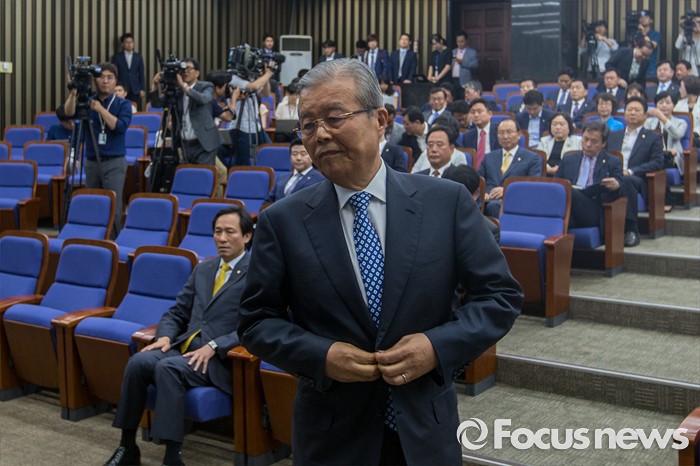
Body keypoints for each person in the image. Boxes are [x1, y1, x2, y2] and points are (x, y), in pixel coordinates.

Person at [237, 58, 522, 466]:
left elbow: (499, 297)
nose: (320, 134)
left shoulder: (445, 203)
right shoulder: (281, 221)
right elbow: (256, 321)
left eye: (334, 117)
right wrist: (321, 356)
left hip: (425, 432)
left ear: (380, 120)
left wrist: (435, 347)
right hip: (331, 439)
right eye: (308, 125)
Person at [104, 205, 253, 466]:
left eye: (230, 232)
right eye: (217, 231)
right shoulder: (204, 269)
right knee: (139, 362)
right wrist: (164, 337)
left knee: (169, 369)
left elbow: (254, 325)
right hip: (184, 349)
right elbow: (177, 311)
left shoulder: (258, 273)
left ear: (247, 236)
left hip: (220, 359)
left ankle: (172, 457)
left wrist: (215, 345)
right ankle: (127, 447)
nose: (222, 238)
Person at [63, 62, 131, 234]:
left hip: (114, 162)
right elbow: (68, 113)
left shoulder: (123, 104)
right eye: (101, 77)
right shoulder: (87, 101)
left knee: (113, 206)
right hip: (92, 162)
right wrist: (73, 92)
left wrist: (100, 109)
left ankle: (113, 242)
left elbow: (119, 126)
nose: (105, 81)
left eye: (110, 78)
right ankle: (94, 240)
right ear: (94, 80)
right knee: (93, 203)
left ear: (116, 81)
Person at [606, 96, 664, 247]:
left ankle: (631, 229)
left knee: (626, 180)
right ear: (624, 113)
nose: (632, 113)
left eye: (637, 110)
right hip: (613, 175)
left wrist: (631, 171)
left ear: (645, 116)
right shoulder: (613, 135)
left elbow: (657, 162)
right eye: (629, 110)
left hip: (637, 179)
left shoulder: (653, 137)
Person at [149, 58, 223, 166]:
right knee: (186, 174)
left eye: (189, 69)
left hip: (204, 143)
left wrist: (183, 86)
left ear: (197, 73)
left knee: (203, 174)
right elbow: (156, 104)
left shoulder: (206, 86)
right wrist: (154, 84)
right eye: (183, 69)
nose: (185, 72)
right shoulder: (178, 90)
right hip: (185, 144)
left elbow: (203, 99)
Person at [554, 120, 622, 231]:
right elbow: (556, 183)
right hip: (569, 208)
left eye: (594, 141)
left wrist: (616, 186)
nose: (588, 145)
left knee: (569, 191)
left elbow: (620, 191)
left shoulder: (613, 162)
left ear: (603, 143)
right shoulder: (568, 159)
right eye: (585, 139)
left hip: (593, 210)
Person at [478, 118, 542, 217]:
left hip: (515, 201)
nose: (505, 136)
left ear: (518, 134)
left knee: (493, 206)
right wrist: (483, 193)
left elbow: (532, 186)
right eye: (501, 133)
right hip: (488, 201)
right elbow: (479, 180)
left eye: (509, 132)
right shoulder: (489, 157)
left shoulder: (532, 158)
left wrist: (507, 190)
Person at [645, 91, 688, 210]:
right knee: (656, 165)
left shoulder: (681, 122)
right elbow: (645, 140)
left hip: (671, 157)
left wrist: (663, 118)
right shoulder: (649, 122)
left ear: (674, 105)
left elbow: (677, 134)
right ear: (656, 105)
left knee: (655, 164)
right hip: (654, 156)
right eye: (660, 103)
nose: (664, 106)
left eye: (668, 103)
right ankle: (666, 199)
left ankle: (660, 201)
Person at [228, 64, 273, 166]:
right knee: (243, 162)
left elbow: (266, 93)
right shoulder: (234, 79)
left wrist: (265, 76)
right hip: (240, 127)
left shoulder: (252, 79)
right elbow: (254, 86)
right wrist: (268, 73)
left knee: (269, 151)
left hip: (255, 127)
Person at [462, 98, 501, 167]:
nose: (476, 115)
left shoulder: (499, 132)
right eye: (473, 112)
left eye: (479, 112)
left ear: (490, 114)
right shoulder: (467, 136)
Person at [111, 33, 145, 107]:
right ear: (122, 44)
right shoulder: (117, 57)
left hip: (135, 88)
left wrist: (142, 89)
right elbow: (114, 73)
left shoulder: (138, 57)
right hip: (121, 88)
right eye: (127, 42)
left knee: (134, 108)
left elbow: (141, 74)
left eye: (131, 42)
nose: (129, 44)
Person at [635, 10, 660, 79]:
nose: (643, 19)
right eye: (641, 17)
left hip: (650, 68)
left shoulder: (655, 34)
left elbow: (652, 46)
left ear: (651, 21)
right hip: (636, 67)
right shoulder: (636, 34)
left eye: (646, 17)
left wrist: (643, 33)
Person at [673, 75, 700, 139]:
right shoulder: (679, 104)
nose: (679, 90)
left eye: (681, 87)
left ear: (689, 87)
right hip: (682, 136)